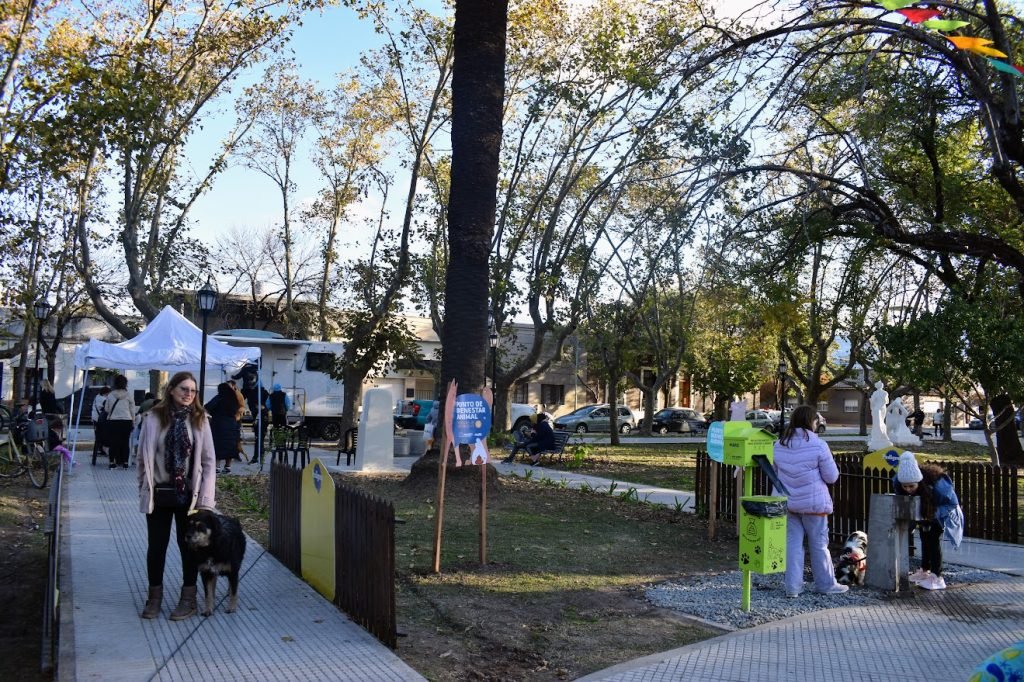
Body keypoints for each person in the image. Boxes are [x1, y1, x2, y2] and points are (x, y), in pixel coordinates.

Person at [137, 371, 216, 621]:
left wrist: (205, 500)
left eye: (193, 391)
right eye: (184, 389)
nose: (188, 394)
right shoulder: (152, 418)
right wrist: (143, 486)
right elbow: (141, 458)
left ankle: (188, 598)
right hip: (159, 494)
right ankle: (154, 597)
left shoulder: (201, 420)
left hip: (189, 498)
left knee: (189, 547)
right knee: (156, 547)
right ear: (170, 389)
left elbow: (209, 463)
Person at [772, 404, 848, 598]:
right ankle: (825, 584)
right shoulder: (819, 445)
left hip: (789, 503)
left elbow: (775, 473)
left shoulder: (779, 444)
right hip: (814, 505)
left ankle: (793, 587)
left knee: (793, 545)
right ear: (811, 422)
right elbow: (831, 476)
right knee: (819, 545)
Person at [893, 452, 962, 591]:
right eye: (905, 487)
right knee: (924, 537)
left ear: (919, 482)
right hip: (924, 511)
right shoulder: (897, 482)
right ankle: (925, 571)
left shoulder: (939, 487)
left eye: (912, 486)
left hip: (941, 512)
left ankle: (937, 576)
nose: (908, 490)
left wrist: (932, 514)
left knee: (934, 539)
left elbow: (952, 505)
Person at [205, 382, 241, 474]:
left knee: (218, 445)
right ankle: (228, 466)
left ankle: (217, 466)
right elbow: (237, 410)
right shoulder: (234, 399)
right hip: (232, 424)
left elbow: (207, 407)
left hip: (219, 424)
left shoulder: (219, 397)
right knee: (230, 445)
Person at [104, 375, 137, 470]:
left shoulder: (110, 395)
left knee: (113, 443)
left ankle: (111, 463)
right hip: (126, 421)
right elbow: (132, 410)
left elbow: (106, 409)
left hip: (113, 421)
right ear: (125, 383)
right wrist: (133, 422)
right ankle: (125, 463)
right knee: (125, 442)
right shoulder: (129, 395)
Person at [91, 387, 111, 466]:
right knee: (102, 435)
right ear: (105, 393)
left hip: (95, 418)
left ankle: (100, 449)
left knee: (97, 436)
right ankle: (104, 449)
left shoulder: (97, 397)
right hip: (100, 420)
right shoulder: (103, 399)